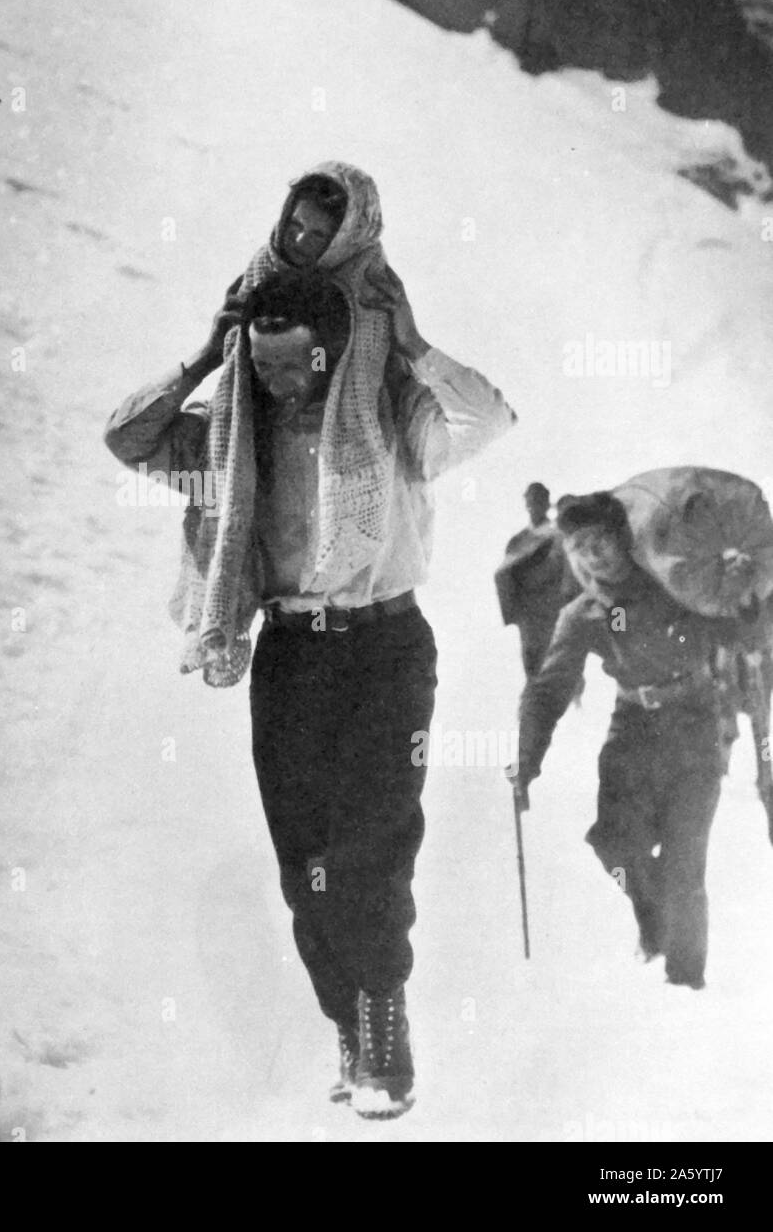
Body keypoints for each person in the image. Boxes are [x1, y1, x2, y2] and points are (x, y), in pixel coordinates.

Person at [105, 162, 515, 1117]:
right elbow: (127, 439)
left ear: (336, 355)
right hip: (292, 658)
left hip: (385, 650)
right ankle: (351, 1023)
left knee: (375, 843)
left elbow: (487, 419)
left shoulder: (391, 419)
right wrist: (209, 357)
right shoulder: (227, 442)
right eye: (265, 362)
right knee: (307, 864)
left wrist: (409, 342)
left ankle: (385, 1034)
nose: (282, 379)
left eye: (299, 363)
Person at [510, 492, 735, 989]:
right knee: (615, 845)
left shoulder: (675, 582)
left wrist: (742, 590)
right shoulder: (582, 614)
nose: (592, 555)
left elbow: (734, 619)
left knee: (684, 860)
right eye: (579, 546)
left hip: (695, 724)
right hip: (632, 727)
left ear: (624, 538)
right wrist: (525, 760)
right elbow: (547, 690)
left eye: (601, 541)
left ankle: (686, 977)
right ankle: (654, 918)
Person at [495, 482, 577, 680]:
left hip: (553, 607)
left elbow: (570, 569)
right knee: (532, 664)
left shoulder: (558, 534)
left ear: (547, 503)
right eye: (530, 501)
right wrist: (514, 611)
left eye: (539, 501)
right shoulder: (518, 540)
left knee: (559, 661)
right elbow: (506, 574)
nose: (534, 505)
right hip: (529, 613)